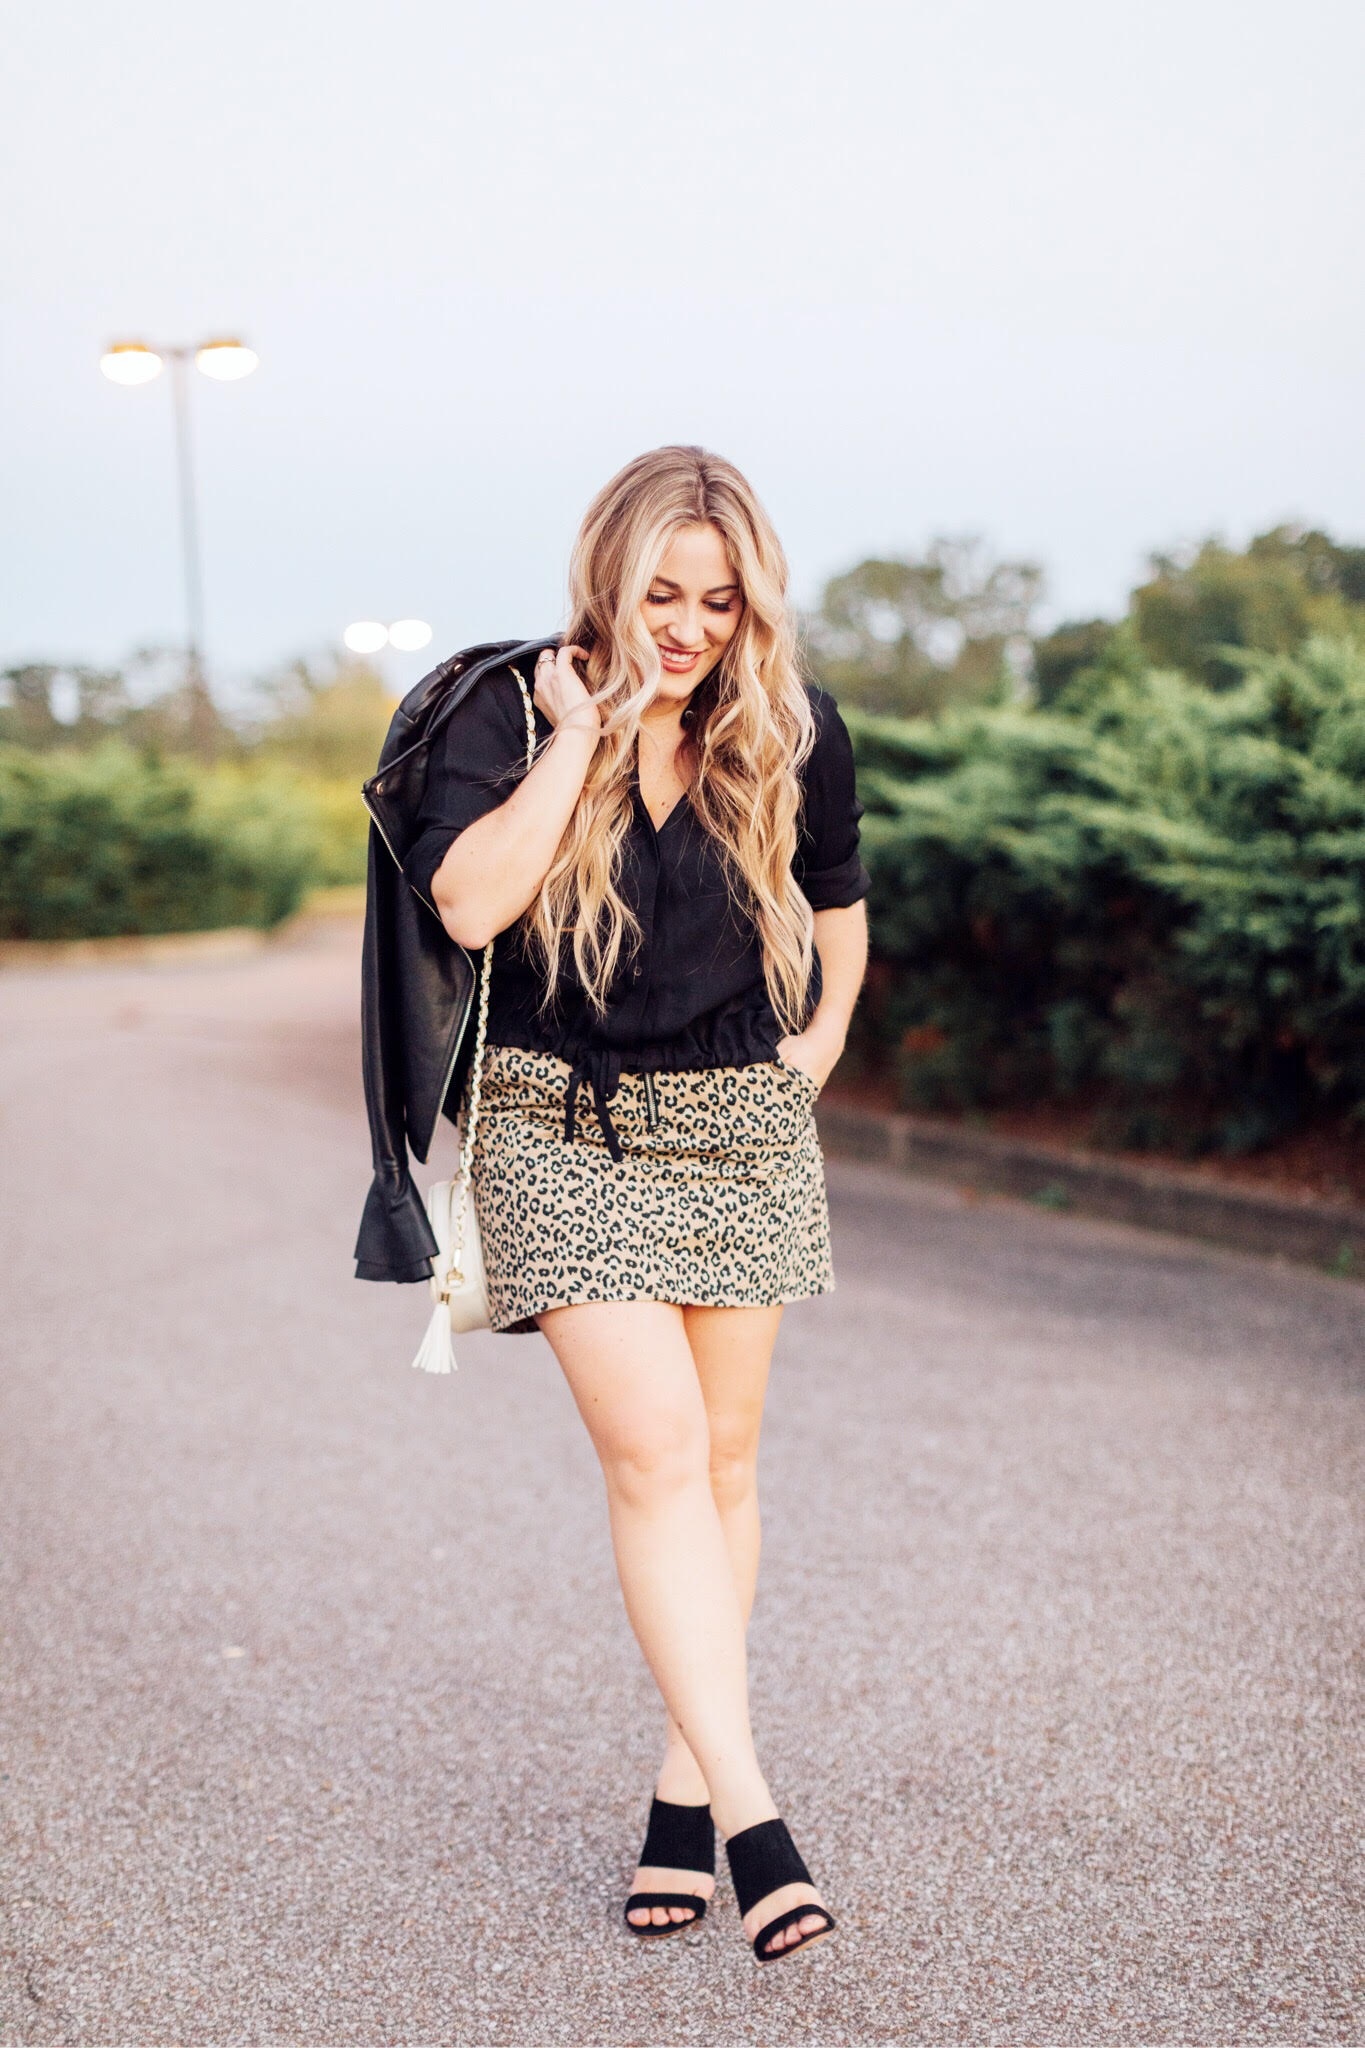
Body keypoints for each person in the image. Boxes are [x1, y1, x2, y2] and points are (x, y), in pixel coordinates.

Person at [403, 445, 869, 1964]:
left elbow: (844, 906)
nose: (686, 629)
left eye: (718, 603)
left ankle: (680, 1788)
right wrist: (578, 742)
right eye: (660, 594)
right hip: (559, 1125)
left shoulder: (788, 729)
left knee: (724, 1464)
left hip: (736, 1120)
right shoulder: (502, 709)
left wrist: (818, 1048)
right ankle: (754, 1818)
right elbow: (469, 902)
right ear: (606, 578)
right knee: (659, 1454)